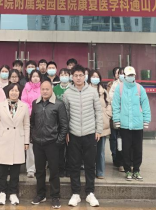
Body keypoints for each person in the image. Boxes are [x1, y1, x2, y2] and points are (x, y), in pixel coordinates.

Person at [63, 65, 102, 207]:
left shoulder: (92, 91)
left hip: (90, 133)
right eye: (76, 75)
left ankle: (90, 193)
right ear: (72, 77)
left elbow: (98, 111)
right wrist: (66, 132)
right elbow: (65, 115)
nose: (78, 78)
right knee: (74, 165)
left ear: (85, 76)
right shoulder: (67, 93)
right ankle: (75, 194)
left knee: (90, 165)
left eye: (81, 75)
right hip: (73, 134)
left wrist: (98, 129)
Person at [30, 80, 68, 209]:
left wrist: (59, 142)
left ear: (52, 90)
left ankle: (55, 196)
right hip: (38, 143)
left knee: (54, 171)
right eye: (43, 89)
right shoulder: (35, 103)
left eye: (47, 89)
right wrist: (33, 137)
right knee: (39, 171)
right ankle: (41, 194)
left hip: (53, 144)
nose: (45, 91)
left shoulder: (58, 104)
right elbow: (32, 122)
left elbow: (64, 125)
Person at [112, 66, 151, 182]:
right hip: (124, 125)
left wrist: (146, 120)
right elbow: (115, 105)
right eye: (128, 75)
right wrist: (117, 120)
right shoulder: (119, 88)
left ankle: (137, 170)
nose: (130, 77)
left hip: (138, 124)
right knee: (126, 148)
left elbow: (145, 105)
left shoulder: (139, 88)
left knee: (138, 149)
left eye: (132, 75)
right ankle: (128, 170)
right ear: (124, 76)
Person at [0, 83, 29, 206]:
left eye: (16, 90)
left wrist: (26, 141)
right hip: (2, 140)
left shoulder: (24, 106)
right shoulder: (0, 105)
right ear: (8, 92)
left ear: (20, 93)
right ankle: (2, 193)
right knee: (2, 170)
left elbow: (26, 125)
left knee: (15, 170)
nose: (14, 92)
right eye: (12, 90)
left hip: (18, 140)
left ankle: (13, 193)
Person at [88, 70, 111, 179]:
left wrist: (107, 114)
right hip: (89, 124)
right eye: (93, 76)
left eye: (97, 77)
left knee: (100, 150)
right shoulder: (85, 90)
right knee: (90, 150)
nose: (95, 78)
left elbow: (109, 104)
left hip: (102, 124)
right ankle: (90, 171)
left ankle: (100, 172)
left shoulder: (104, 91)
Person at [21, 69, 42, 178]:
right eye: (33, 76)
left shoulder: (43, 87)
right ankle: (30, 169)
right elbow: (24, 102)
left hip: (41, 118)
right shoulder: (26, 88)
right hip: (29, 118)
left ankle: (40, 168)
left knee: (40, 145)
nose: (35, 78)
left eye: (37, 76)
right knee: (30, 144)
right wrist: (31, 112)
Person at [53, 68, 71, 177]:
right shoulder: (55, 88)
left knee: (70, 148)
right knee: (60, 147)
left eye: (66, 74)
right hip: (58, 121)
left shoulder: (72, 88)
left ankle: (69, 168)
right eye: (62, 74)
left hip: (71, 120)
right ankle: (60, 168)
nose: (64, 76)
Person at [108, 67, 123, 171]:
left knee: (122, 138)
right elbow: (110, 98)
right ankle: (116, 157)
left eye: (120, 73)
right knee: (114, 137)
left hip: (125, 116)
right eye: (118, 73)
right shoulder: (112, 85)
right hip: (115, 114)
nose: (119, 75)